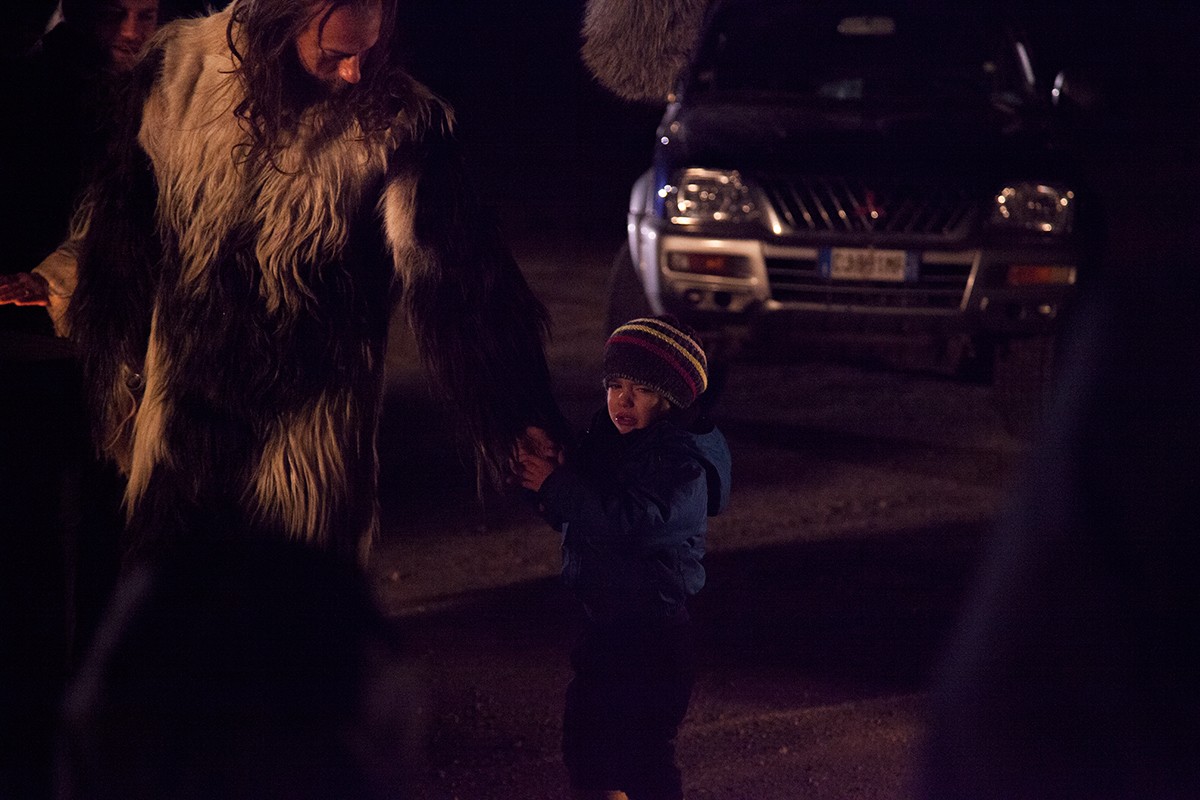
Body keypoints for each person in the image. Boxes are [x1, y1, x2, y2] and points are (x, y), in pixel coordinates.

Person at [4, 0, 562, 565]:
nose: (355, 74)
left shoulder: (394, 121)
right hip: (182, 432)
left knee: (295, 624)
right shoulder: (176, 77)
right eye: (338, 54)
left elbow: (463, 285)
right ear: (281, 19)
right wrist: (71, 298)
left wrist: (518, 412)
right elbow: (125, 233)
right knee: (181, 620)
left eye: (367, 53)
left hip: (309, 442)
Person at [514, 315, 732, 800]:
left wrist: (561, 487)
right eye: (615, 385)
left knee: (642, 756)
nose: (623, 400)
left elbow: (631, 523)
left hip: (653, 636)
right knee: (588, 748)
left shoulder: (683, 465)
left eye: (642, 389)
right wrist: (541, 481)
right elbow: (579, 514)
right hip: (605, 628)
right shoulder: (610, 445)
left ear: (673, 399)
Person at [1, 0, 161, 335]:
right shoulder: (27, 91)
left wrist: (57, 276)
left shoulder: (160, 95)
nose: (131, 33)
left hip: (102, 318)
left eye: (146, 16)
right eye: (113, 15)